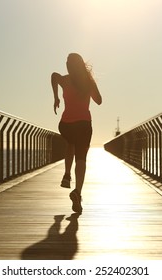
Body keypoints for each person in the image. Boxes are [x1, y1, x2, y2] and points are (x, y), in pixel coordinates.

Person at [51, 53, 102, 214]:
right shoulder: (88, 82)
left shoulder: (64, 80)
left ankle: (66, 174)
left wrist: (56, 97)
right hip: (84, 125)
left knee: (70, 144)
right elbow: (99, 100)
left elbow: (53, 76)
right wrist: (91, 86)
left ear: (68, 65)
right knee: (81, 159)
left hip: (65, 124)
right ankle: (77, 192)